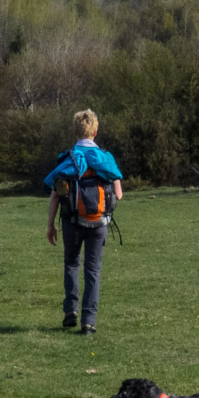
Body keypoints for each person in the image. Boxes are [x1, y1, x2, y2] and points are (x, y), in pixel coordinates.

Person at [45, 109, 123, 335]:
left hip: (72, 221)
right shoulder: (106, 159)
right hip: (99, 223)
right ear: (95, 131)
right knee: (93, 270)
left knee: (71, 263)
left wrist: (50, 225)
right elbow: (118, 195)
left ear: (75, 131)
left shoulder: (68, 159)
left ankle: (71, 310)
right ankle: (89, 322)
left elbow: (54, 194)